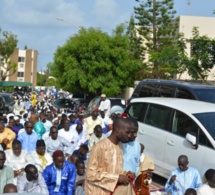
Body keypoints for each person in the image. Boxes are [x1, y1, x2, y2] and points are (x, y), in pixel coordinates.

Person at [85, 118, 136, 195]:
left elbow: (115, 171)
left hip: (113, 192)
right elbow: (90, 174)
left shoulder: (120, 147)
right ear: (117, 130)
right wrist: (117, 178)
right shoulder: (99, 147)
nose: (129, 136)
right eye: (127, 132)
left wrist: (126, 174)